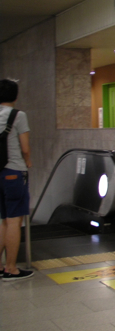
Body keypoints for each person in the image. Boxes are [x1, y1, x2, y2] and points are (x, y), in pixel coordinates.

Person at [0, 79, 34, 281]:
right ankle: (11, 268)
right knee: (14, 221)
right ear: (16, 96)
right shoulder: (18, 115)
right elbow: (25, 148)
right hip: (13, 172)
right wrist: (28, 161)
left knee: (3, 220)